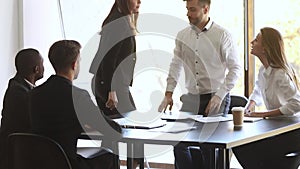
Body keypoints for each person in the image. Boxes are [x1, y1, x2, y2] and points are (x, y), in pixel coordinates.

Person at [158, 0, 242, 168]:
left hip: (215, 98)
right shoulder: (182, 35)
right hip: (191, 98)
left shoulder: (222, 35)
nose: (188, 13)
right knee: (177, 141)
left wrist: (219, 96)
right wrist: (168, 93)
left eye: (192, 10)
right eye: (187, 9)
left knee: (209, 147)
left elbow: (236, 69)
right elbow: (176, 65)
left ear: (206, 9)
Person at [29, 40, 122, 169]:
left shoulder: (34, 94)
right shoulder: (77, 96)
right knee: (110, 156)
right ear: (74, 64)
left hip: (39, 162)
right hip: (67, 163)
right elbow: (110, 129)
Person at [232, 27, 300, 169]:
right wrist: (249, 106)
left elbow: (296, 104)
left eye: (256, 40)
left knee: (248, 148)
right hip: (278, 128)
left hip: (293, 133)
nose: (251, 42)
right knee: (240, 145)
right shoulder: (264, 70)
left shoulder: (280, 73)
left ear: (265, 48)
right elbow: (258, 90)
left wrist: (263, 114)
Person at [89, 0, 141, 118]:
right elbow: (108, 59)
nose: (139, 2)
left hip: (112, 83)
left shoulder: (122, 19)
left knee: (125, 125)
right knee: (127, 125)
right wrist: (110, 90)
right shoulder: (119, 23)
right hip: (111, 84)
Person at [0, 48, 44, 169]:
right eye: (42, 64)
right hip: (17, 154)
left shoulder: (19, 87)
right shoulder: (20, 93)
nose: (43, 67)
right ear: (36, 69)